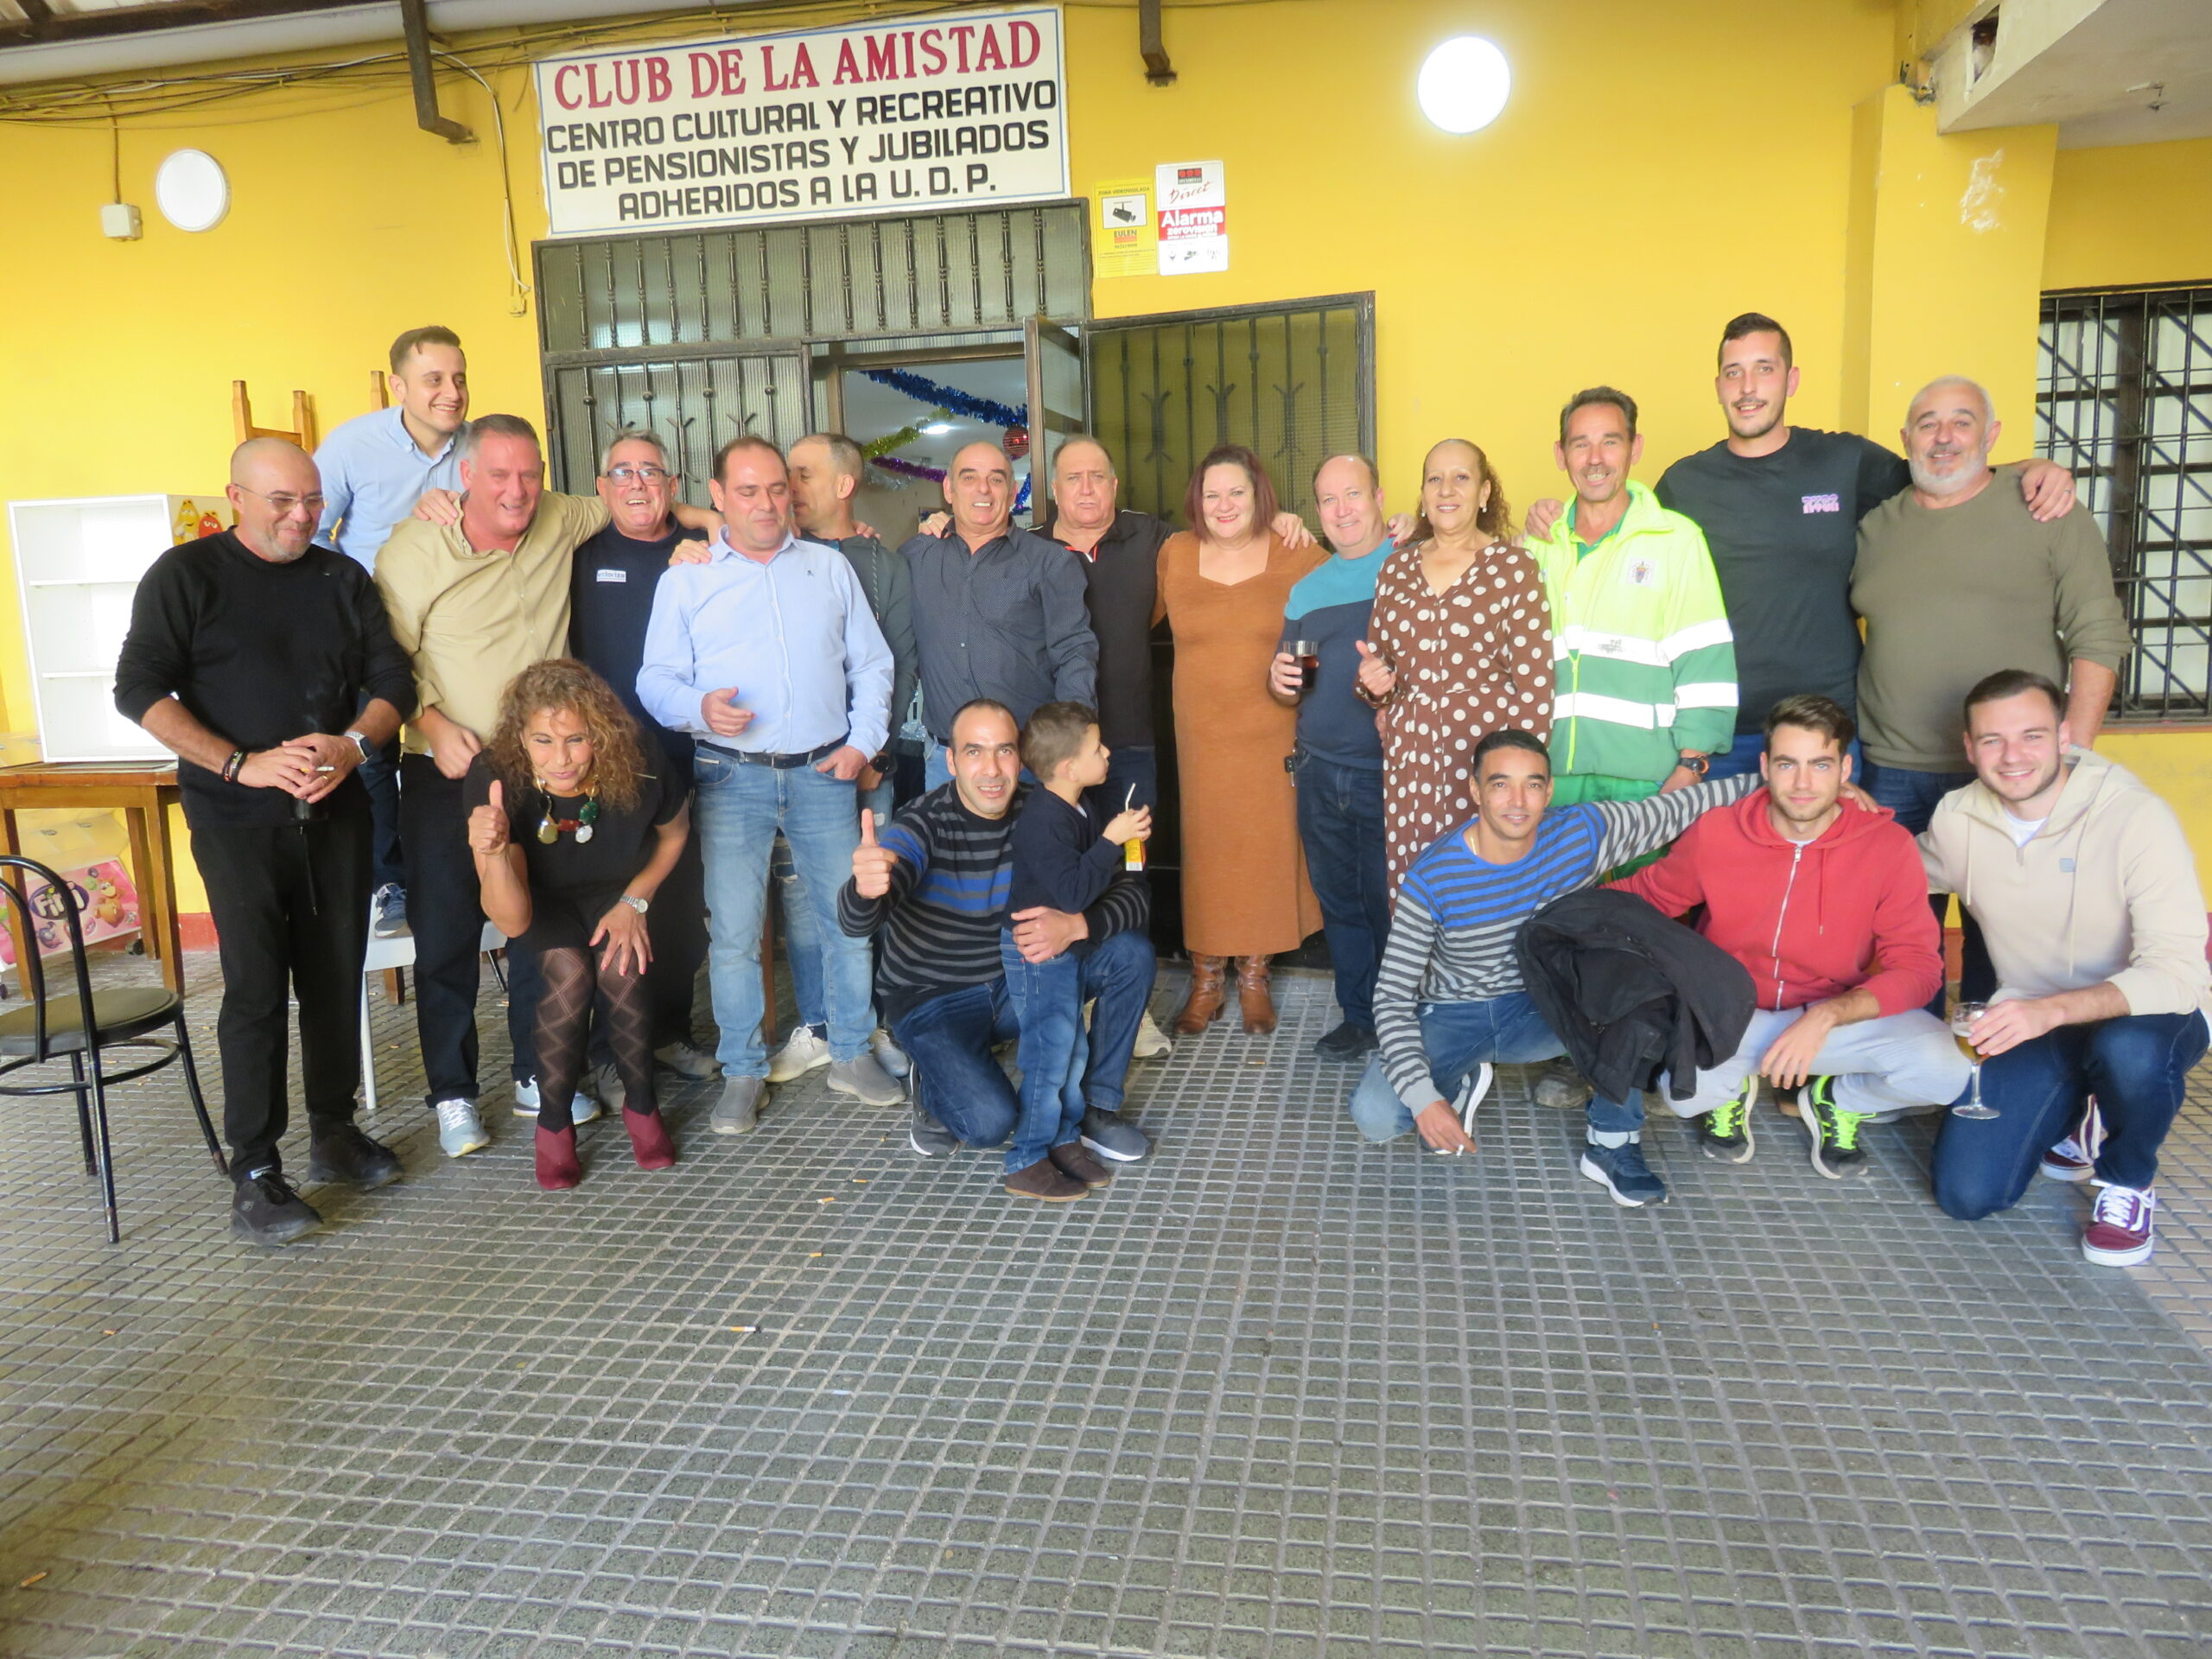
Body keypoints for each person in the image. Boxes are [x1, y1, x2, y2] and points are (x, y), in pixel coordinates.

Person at [1528, 315, 2075, 782]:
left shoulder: (1845, 462)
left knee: (1828, 895)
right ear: (1718, 385)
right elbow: (1624, 552)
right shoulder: (1685, 483)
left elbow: (1944, 474)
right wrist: (1551, 519)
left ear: (1790, 380)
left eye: (1764, 370)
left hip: (1825, 732)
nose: (1748, 387)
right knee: (1708, 897)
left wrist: (2028, 470)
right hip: (1714, 734)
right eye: (1734, 373)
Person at [377, 414, 717, 1160]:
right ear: (463, 476)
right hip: (452, 767)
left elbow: (639, 497)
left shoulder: (560, 513)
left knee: (541, 927)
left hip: (552, 769)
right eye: (498, 474)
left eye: (529, 474)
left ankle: (540, 1073)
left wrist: (702, 516)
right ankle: (454, 1094)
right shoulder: (414, 547)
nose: (517, 489)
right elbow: (386, 659)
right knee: (448, 935)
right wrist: (433, 727)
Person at [114, 436, 414, 1244]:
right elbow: (138, 688)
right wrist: (239, 764)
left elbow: (393, 684)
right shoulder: (186, 577)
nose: (302, 516)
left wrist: (352, 746)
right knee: (253, 991)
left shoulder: (341, 578)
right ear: (237, 496)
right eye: (282, 501)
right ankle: (254, 1168)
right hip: (236, 821)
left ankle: (334, 1132)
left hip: (337, 811)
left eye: (312, 501)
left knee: (332, 977)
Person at [1351, 729, 1758, 1208]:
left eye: (1533, 784)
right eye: (1501, 784)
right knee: (1377, 1118)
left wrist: (1786, 782)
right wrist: (1424, 1099)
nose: (1517, 801)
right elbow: (1393, 995)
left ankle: (1612, 1143)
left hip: (1545, 1003)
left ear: (1549, 791)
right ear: (1476, 790)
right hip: (1457, 1010)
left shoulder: (1580, 834)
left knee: (1636, 995)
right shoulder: (1432, 877)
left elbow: (1682, 807)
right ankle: (1457, 1076)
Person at [637, 435, 903, 1135]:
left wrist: (861, 743)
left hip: (823, 772)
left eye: (778, 489)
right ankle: (743, 1071)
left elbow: (872, 665)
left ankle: (849, 1051)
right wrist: (699, 709)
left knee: (843, 920)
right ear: (718, 497)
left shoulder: (828, 568)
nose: (765, 504)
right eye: (747, 491)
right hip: (731, 775)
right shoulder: (686, 579)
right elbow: (654, 679)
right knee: (732, 933)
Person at [1606, 695, 1969, 1178]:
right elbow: (1648, 895)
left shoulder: (1887, 846)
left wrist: (1829, 1014)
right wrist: (1548, 902)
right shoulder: (1718, 831)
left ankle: (1837, 1098)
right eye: (1787, 764)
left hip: (1832, 1020)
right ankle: (1733, 1089)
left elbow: (1920, 969)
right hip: (1731, 1015)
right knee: (1684, 1100)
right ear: (1765, 766)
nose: (1802, 783)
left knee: (1947, 1072)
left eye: (1820, 764)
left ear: (1845, 769)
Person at [1924, 671, 2210, 1267]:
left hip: (2148, 1014)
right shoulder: (1957, 818)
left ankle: (2128, 1180)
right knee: (1966, 1195)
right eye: (1993, 740)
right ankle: (2082, 1108)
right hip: (2035, 1016)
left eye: (2031, 735)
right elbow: (1887, 876)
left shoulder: (2136, 816)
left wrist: (2049, 1009)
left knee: (2127, 1051)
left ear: (2063, 737)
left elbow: (2179, 974)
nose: (2013, 756)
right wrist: (1829, 814)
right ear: (1970, 748)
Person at [838, 698, 1156, 1164]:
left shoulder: (1051, 812)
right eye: (973, 752)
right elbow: (857, 919)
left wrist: (1077, 924)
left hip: (1017, 984)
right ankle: (934, 1076)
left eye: (1004, 751)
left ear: (1022, 758)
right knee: (988, 1124)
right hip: (935, 999)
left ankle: (1095, 1108)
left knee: (1131, 953)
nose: (991, 769)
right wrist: (866, 889)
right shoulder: (921, 823)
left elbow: (1133, 893)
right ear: (950, 761)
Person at [1852, 376, 2129, 833]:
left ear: (1990, 435)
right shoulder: (1873, 527)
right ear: (1905, 440)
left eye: (1962, 422)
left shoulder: (2046, 509)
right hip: (1892, 772)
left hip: (2015, 765)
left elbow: (2098, 636)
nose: (1944, 437)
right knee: (1900, 907)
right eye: (1928, 425)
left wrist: (2074, 757)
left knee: (2013, 906)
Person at [465, 660, 690, 1190]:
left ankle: (641, 1106)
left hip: (619, 889)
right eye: (542, 740)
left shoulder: (640, 762)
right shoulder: (495, 776)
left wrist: (635, 902)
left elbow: (675, 836)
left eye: (577, 739)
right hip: (540, 902)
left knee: (620, 965)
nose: (560, 759)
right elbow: (513, 921)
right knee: (568, 971)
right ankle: (553, 1123)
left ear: (601, 735)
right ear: (520, 736)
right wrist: (492, 853)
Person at [554, 429, 716, 1103]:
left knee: (678, 910)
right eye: (622, 472)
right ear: (602, 488)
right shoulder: (580, 557)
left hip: (688, 755)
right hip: (605, 766)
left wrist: (709, 528)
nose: (637, 483)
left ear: (672, 486)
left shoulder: (705, 555)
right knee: (610, 910)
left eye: (651, 472)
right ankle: (606, 1053)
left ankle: (669, 1032)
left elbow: (760, 518)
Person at [1154, 444, 1323, 1036]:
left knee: (1264, 849)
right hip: (1200, 742)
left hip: (1272, 735)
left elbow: (1355, 588)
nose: (1224, 505)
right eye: (1212, 493)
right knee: (1207, 851)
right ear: (1196, 501)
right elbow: (1117, 604)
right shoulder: (1174, 554)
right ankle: (1206, 979)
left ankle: (1254, 976)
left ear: (1261, 497)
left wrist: (1402, 532)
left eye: (1237, 492)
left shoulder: (1296, 552)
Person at [768, 431, 918, 1087]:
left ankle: (871, 1021)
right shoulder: (770, 555)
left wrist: (876, 752)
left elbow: (901, 663)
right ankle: (821, 1025)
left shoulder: (884, 565)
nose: (788, 489)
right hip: (792, 769)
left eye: (801, 474)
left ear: (844, 485)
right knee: (803, 900)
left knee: (869, 892)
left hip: (866, 764)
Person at [314, 324, 471, 941]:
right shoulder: (351, 445)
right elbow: (310, 529)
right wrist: (348, 602)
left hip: (455, 624)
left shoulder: (476, 445)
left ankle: (473, 875)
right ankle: (390, 882)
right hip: (375, 624)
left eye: (458, 378)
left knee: (461, 748)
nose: (450, 392)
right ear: (400, 385)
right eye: (434, 380)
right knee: (374, 750)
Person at [1354, 439, 1554, 890]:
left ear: (1484, 493)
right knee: (1416, 888)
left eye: (1461, 477)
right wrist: (1373, 685)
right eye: (1434, 479)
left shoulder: (1514, 568)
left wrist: (1517, 782)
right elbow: (1376, 666)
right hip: (1411, 764)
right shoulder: (1395, 569)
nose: (1447, 489)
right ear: (1423, 495)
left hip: (1488, 765)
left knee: (1485, 889)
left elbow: (1536, 687)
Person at [1526, 387, 1738, 807]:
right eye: (1580, 444)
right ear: (1560, 455)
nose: (1595, 459)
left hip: (1647, 782)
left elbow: (1705, 661)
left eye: (1611, 442)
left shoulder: (1677, 540)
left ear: (1634, 449)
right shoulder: (1537, 546)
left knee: (1642, 878)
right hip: (1552, 780)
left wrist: (1691, 765)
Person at [1267, 454, 1397, 1061]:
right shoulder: (1308, 590)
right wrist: (1278, 677)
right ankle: (1360, 1016)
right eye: (1328, 500)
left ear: (1378, 497)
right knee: (1341, 902)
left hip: (1391, 772)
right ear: (1317, 512)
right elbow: (1295, 680)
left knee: (1390, 904)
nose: (1342, 510)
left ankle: (1403, 1027)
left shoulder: (1411, 568)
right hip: (1318, 769)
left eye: (1353, 494)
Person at [995, 702, 1151, 1199]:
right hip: (1037, 953)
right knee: (1050, 1053)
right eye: (1097, 748)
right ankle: (1026, 1157)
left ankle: (1063, 1138)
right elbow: (1070, 895)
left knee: (1073, 1050)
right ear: (1068, 767)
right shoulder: (1043, 819)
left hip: (1064, 949)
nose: (1107, 753)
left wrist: (1117, 841)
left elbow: (1104, 892)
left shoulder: (1081, 804)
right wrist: (1110, 842)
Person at [901, 441, 1097, 790]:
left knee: (1035, 846)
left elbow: (1074, 653)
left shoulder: (1050, 563)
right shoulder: (915, 557)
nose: (983, 489)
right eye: (969, 478)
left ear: (1012, 491)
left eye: (996, 479)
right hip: (945, 763)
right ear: (949, 488)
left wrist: (1071, 745)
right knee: (946, 847)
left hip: (1027, 762)